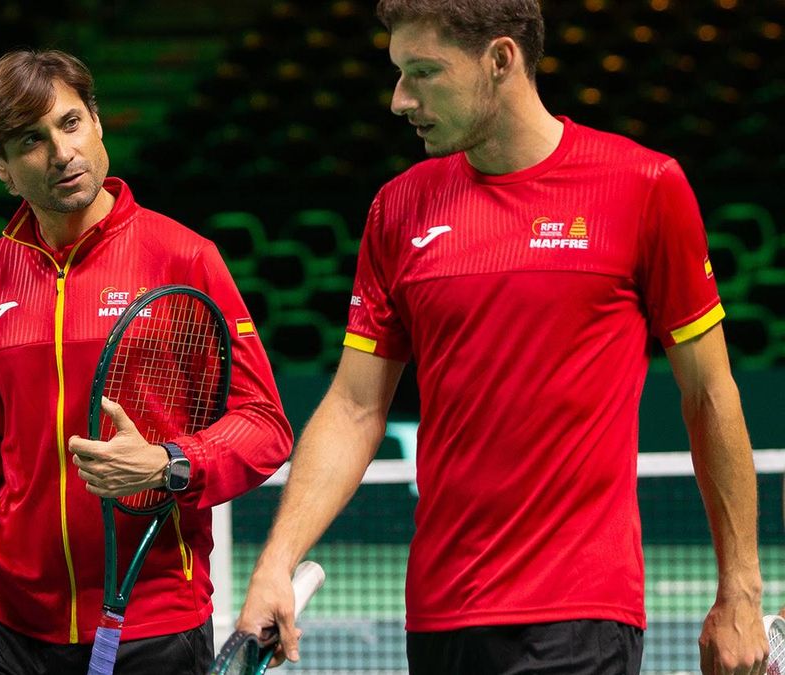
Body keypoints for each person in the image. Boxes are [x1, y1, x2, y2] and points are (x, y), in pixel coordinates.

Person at [234, 2, 767, 674]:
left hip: (579, 611)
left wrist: (741, 591)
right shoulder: (399, 208)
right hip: (439, 612)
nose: (401, 100)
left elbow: (710, 395)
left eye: (423, 73)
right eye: (400, 73)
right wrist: (275, 562)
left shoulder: (643, 187)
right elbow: (354, 406)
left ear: (501, 60)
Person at [0, 49, 292, 674]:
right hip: (11, 625)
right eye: (31, 140)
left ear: (98, 123)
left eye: (71, 123)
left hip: (151, 622)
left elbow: (263, 423)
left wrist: (168, 463)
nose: (62, 153)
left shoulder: (182, 259)